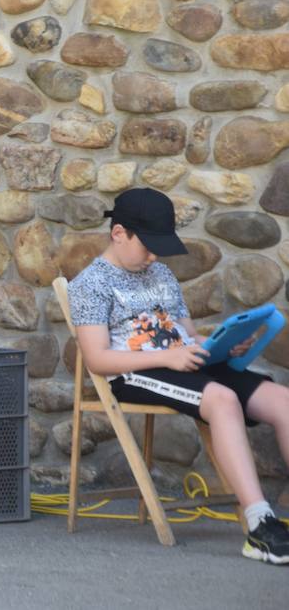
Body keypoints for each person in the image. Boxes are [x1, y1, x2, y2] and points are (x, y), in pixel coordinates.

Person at [69, 188, 289, 565]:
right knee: (222, 399)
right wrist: (169, 356)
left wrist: (219, 343)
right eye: (148, 246)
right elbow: (98, 359)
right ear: (118, 233)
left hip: (181, 360)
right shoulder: (91, 283)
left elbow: (186, 333)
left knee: (282, 400)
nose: (153, 256)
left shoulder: (160, 273)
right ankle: (259, 523)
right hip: (134, 371)